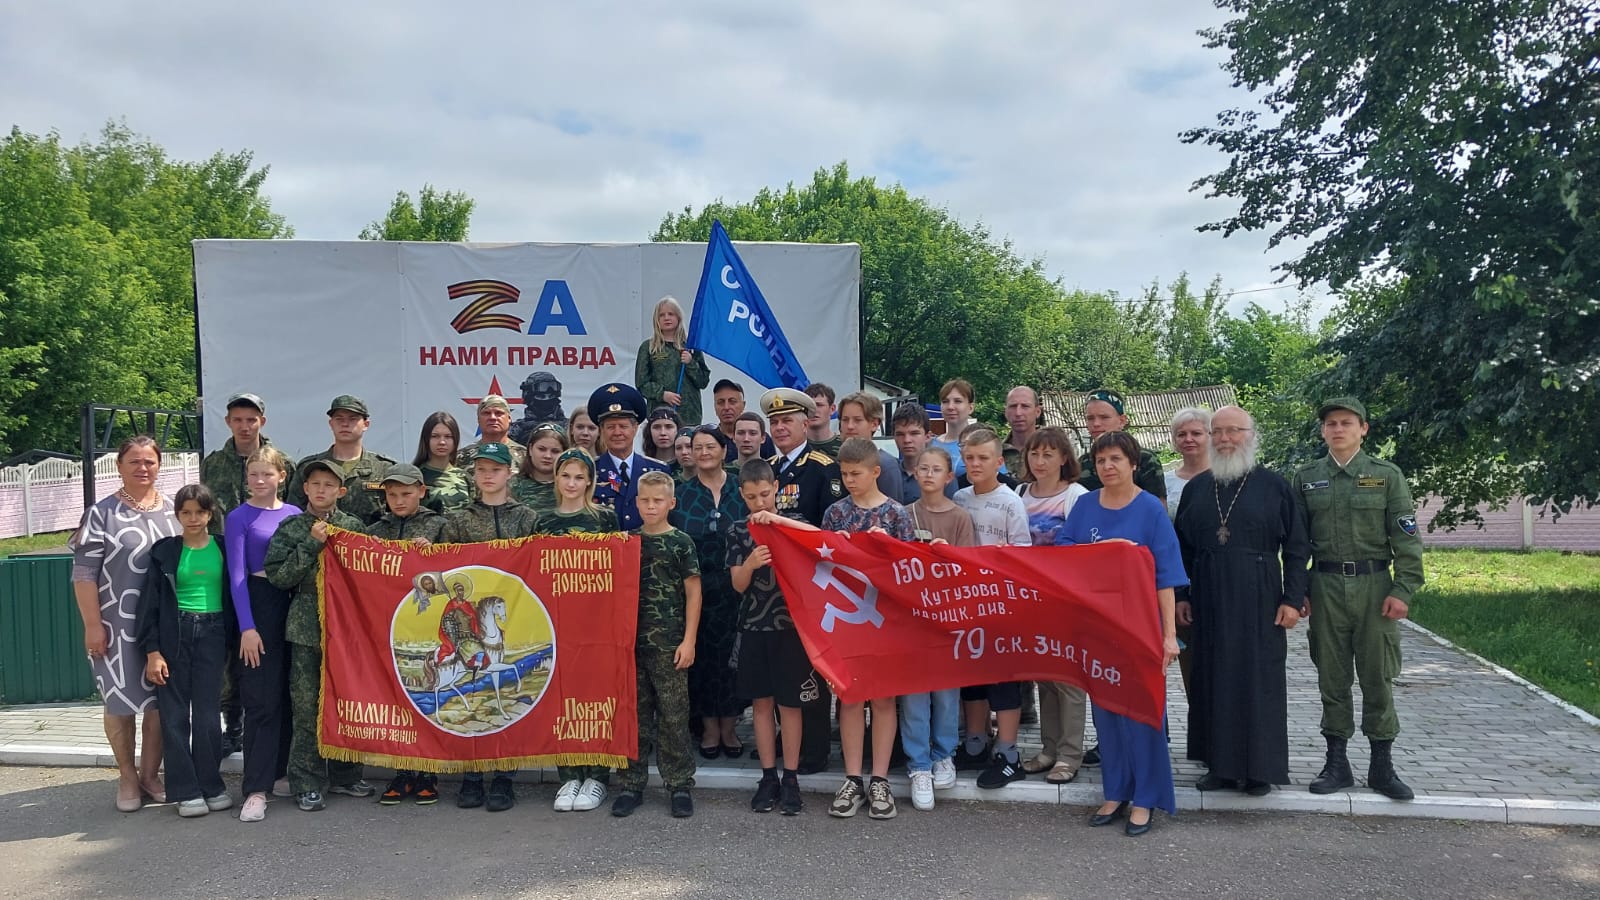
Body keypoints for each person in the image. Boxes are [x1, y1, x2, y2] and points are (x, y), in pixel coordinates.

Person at [1174, 406, 1311, 796]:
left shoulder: (1274, 486)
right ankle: (1219, 766)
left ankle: (1258, 770)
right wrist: (1182, 595)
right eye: (1218, 432)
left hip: (1260, 595)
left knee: (1257, 680)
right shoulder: (1197, 489)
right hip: (1206, 595)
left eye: (1234, 431)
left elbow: (1298, 547)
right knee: (1211, 678)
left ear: (1251, 435)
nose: (1225, 439)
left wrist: (1292, 597)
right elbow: (1181, 548)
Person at [1295, 397, 1425, 801]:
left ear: (1363, 428)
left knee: (1377, 676)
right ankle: (1337, 764)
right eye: (1331, 423)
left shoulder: (1387, 476)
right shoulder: (1306, 477)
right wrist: (1297, 589)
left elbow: (1406, 537)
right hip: (1326, 586)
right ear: (1322, 431)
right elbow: (1297, 542)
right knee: (1331, 678)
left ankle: (1382, 766)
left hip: (1374, 588)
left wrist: (1403, 589)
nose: (1338, 429)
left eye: (1346, 423)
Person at [1060, 431, 1185, 836]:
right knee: (1108, 714)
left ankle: (1146, 798)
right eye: (1101, 461)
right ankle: (1115, 790)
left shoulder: (1150, 511)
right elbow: (1062, 559)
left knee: (1144, 714)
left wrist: (1169, 636)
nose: (1108, 467)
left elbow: (1165, 580)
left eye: (1116, 459)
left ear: (1133, 464)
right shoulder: (1083, 506)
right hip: (1098, 628)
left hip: (1141, 628)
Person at [72, 435, 181, 812]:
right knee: (119, 702)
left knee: (157, 702)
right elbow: (84, 574)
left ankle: (151, 774)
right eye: (134, 461)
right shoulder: (101, 513)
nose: (142, 468)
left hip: (163, 623)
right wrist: (92, 624)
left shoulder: (173, 509)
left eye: (149, 461)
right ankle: (127, 775)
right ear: (119, 466)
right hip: (115, 623)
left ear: (158, 465)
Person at [261, 456, 373, 817]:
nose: (321, 490)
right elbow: (279, 576)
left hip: (347, 629)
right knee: (307, 707)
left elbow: (375, 574)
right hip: (307, 625)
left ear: (341, 491)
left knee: (348, 700)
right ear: (305, 489)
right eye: (315, 484)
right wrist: (311, 543)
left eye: (329, 485)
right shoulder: (293, 527)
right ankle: (307, 783)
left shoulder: (354, 527)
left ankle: (346, 774)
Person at [817, 438, 917, 820]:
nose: (849, 481)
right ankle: (852, 778)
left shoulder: (896, 515)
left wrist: (886, 548)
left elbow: (909, 571)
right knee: (851, 697)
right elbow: (820, 568)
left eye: (856, 473)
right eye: (844, 474)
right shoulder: (835, 514)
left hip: (884, 620)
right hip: (846, 620)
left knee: (885, 699)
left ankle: (880, 778)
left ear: (876, 472)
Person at [440, 442, 541, 812]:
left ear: (510, 473)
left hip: (515, 617)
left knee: (508, 693)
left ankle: (503, 777)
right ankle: (471, 776)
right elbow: (445, 567)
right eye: (481, 469)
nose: (487, 475)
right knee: (474, 687)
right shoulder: (460, 519)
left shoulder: (527, 517)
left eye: (495, 469)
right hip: (470, 626)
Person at [200, 392, 289, 757]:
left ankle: (264, 729)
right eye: (238, 419)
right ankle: (231, 724)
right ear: (228, 422)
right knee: (228, 647)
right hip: (222, 559)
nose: (244, 425)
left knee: (262, 651)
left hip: (266, 569)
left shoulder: (281, 460)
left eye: (251, 419)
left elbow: (290, 515)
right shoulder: (214, 463)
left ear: (261, 422)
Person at [137, 483, 234, 818]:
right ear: (177, 515)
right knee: (175, 715)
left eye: (200, 512)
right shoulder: (165, 551)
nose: (193, 518)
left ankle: (211, 783)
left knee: (207, 714)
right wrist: (152, 651)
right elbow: (148, 605)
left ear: (211, 514)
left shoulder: (224, 547)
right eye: (186, 512)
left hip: (214, 631)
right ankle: (186, 790)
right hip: (174, 635)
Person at [357, 464, 451, 805]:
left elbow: (457, 570)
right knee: (393, 694)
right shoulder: (374, 530)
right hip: (385, 625)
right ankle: (401, 770)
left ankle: (428, 773)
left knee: (423, 693)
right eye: (392, 494)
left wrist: (436, 552)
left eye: (406, 493)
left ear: (422, 492)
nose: (399, 500)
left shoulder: (440, 526)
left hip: (423, 624)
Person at [612, 471, 703, 818]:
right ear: (635, 503)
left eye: (658, 501)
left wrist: (689, 640)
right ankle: (632, 784)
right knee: (635, 717)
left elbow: (694, 592)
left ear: (671, 503)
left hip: (669, 645)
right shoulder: (626, 542)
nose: (651, 506)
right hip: (630, 646)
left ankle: (679, 785)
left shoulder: (681, 543)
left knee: (674, 717)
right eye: (645, 500)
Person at [762, 386, 844, 774]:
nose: (779, 428)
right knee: (781, 665)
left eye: (786, 421)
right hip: (772, 588)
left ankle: (813, 748)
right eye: (774, 422)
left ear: (804, 422)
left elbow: (827, 530)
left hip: (811, 585)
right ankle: (785, 737)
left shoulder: (823, 467)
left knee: (809, 667)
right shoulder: (769, 469)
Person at [224, 446, 307, 822]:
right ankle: (255, 788)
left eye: (266, 474)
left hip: (292, 604)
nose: (259, 481)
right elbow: (237, 575)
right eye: (253, 474)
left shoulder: (295, 514)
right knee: (260, 699)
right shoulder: (239, 517)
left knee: (290, 694)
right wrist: (247, 627)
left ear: (281, 476)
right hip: (257, 605)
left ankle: (281, 772)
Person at [730, 460, 816, 816]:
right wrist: (749, 564)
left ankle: (791, 777)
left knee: (790, 705)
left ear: (776, 487)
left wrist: (781, 526)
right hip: (753, 629)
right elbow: (738, 585)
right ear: (742, 496)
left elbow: (815, 564)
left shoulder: (798, 524)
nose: (759, 503)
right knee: (762, 706)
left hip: (791, 631)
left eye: (765, 494)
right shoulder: (738, 530)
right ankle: (768, 776)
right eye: (751, 497)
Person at [538, 449, 621, 811]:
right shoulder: (542, 522)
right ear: (556, 479)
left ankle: (597, 777)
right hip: (558, 624)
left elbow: (618, 567)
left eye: (578, 476)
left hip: (597, 622)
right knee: (563, 699)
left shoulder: (604, 517)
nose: (571, 483)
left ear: (589, 481)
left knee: (596, 697)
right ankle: (569, 776)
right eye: (565, 475)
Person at [950, 428, 1031, 789]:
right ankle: (975, 742)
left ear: (999, 461)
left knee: (1004, 681)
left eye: (983, 458)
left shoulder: (1011, 501)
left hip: (1001, 606)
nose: (975, 464)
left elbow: (1022, 555)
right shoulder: (960, 498)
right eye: (969, 457)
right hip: (967, 605)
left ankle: (1009, 752)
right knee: (972, 680)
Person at [900, 446, 975, 811]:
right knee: (914, 695)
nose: (929, 474)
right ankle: (919, 765)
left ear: (949, 477)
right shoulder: (904, 514)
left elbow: (970, 569)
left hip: (949, 622)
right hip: (911, 621)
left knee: (946, 694)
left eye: (937, 469)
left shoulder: (960, 517)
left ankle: (944, 752)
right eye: (923, 468)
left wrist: (949, 555)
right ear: (915, 473)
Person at [1016, 427, 1090, 785]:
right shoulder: (1019, 494)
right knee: (1043, 676)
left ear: (1064, 458)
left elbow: (1085, 553)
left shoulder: (1077, 496)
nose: (1040, 461)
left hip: (1066, 600)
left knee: (1069, 680)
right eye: (1034, 454)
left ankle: (1070, 754)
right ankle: (1048, 749)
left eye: (1048, 454)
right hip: (1029, 601)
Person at [671, 426, 747, 760]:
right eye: (695, 447)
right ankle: (709, 728)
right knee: (701, 660)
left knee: (732, 659)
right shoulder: (680, 491)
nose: (702, 452)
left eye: (709, 446)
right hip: (695, 588)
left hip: (738, 588)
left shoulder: (740, 488)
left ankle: (729, 727)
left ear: (723, 449)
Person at [286, 395, 395, 524]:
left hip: (368, 541)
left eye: (352, 419)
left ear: (366, 424)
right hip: (318, 541)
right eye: (339, 419)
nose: (345, 424)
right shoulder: (309, 467)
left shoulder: (385, 468)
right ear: (331, 424)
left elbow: (395, 515)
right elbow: (294, 512)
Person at [588, 383, 670, 531]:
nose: (617, 432)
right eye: (611, 427)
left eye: (623, 426)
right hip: (604, 551)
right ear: (601, 430)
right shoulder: (590, 471)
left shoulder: (658, 471)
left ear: (635, 428)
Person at [1075, 389, 1166, 500]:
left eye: (1104, 417)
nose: (1096, 424)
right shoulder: (1083, 463)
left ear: (1122, 421)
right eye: (1090, 418)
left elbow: (1157, 510)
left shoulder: (1144, 459)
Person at [635, 295, 711, 428]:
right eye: (662, 315)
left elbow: (703, 381)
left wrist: (691, 363)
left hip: (690, 416)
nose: (666, 318)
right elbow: (641, 383)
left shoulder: (691, 346)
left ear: (678, 317)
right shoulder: (648, 347)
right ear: (656, 320)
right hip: (660, 415)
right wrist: (662, 394)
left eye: (671, 314)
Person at [836, 391, 903, 503]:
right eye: (845, 420)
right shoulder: (834, 462)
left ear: (874, 424)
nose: (850, 426)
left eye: (857, 420)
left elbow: (891, 514)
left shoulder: (886, 465)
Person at [412, 411, 470, 513]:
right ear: (426, 439)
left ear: (455, 440)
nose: (442, 442)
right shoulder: (414, 477)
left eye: (448, 437)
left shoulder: (466, 478)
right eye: (435, 436)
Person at [511, 422, 568, 514]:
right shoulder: (512, 485)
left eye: (555, 451)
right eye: (542, 449)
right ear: (530, 449)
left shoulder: (570, 487)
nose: (548, 456)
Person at [459, 395, 527, 471]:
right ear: (478, 419)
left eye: (498, 413)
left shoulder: (526, 456)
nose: (492, 417)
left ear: (509, 419)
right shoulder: (462, 457)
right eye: (486, 413)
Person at [714, 379, 775, 462]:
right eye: (721, 402)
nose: (726, 407)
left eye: (732, 402)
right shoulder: (711, 439)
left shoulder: (760, 438)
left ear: (743, 405)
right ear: (714, 406)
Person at [1166, 407, 1212, 518]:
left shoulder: (1224, 479)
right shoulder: (1165, 482)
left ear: (1210, 436)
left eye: (1196, 433)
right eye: (1181, 434)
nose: (1188, 439)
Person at [930, 379, 975, 478]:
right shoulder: (930, 444)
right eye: (945, 401)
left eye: (958, 401)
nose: (950, 407)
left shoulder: (983, 444)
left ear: (971, 408)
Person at [891, 402, 936, 501]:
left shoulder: (940, 476)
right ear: (894, 437)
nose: (907, 440)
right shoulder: (887, 474)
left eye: (914, 433)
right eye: (900, 434)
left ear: (928, 437)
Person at [1002, 386, 1043, 477]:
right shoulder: (995, 453)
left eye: (1025, 406)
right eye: (1013, 406)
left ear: (1037, 411)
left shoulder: (1052, 451)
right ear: (1005, 412)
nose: (1018, 413)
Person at [804, 383, 841, 458]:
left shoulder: (845, 447)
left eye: (819, 405)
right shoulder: (796, 446)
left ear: (832, 409)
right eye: (809, 406)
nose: (814, 410)